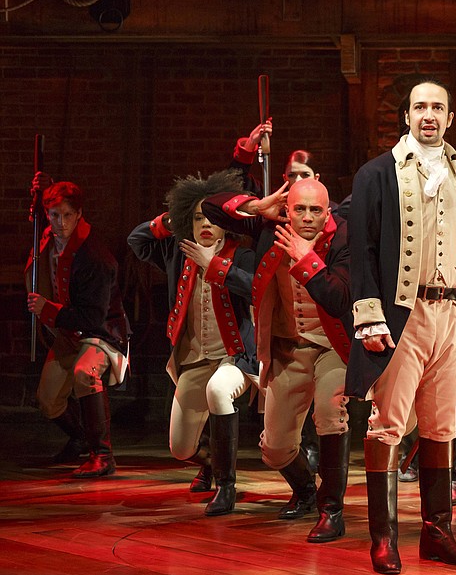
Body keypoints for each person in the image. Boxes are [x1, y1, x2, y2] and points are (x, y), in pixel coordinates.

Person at [346, 77, 456, 574]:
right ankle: (383, 536)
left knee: (441, 426)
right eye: (419, 107)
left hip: (451, 314)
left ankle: (437, 531)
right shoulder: (375, 174)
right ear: (407, 116)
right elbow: (361, 252)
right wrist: (368, 316)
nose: (428, 115)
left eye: (437, 108)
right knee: (387, 425)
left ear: (450, 118)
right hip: (400, 315)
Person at [202, 177, 352, 543]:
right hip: (288, 346)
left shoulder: (344, 236)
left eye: (315, 210)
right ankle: (306, 492)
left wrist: (307, 259)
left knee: (330, 413)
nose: (306, 218)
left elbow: (341, 298)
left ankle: (332, 510)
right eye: (299, 209)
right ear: (288, 210)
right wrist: (257, 207)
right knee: (275, 447)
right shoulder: (272, 226)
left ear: (327, 211)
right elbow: (209, 207)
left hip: (334, 346)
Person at [128, 170, 259, 516]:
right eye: (198, 216)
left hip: (235, 358)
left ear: (224, 223)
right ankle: (213, 462)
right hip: (194, 359)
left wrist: (214, 265)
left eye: (212, 217)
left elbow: (255, 288)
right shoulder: (177, 251)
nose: (205, 224)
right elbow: (137, 241)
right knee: (180, 448)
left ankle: (226, 487)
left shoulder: (240, 255)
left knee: (219, 390)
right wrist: (171, 219)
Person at [26, 178, 130, 478]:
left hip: (101, 333)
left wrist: (49, 310)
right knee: (47, 401)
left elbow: (93, 318)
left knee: (86, 373)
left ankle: (103, 454)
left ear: (79, 214)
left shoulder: (95, 257)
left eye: (67, 215)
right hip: (68, 331)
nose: (60, 223)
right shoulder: (47, 237)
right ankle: (81, 437)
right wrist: (38, 196)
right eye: (54, 215)